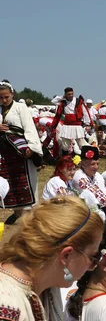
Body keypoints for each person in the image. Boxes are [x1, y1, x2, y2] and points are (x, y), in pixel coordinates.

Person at [0, 80, 43, 224]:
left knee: (25, 180)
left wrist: (32, 146)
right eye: (1, 98)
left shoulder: (20, 107)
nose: (4, 100)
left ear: (12, 94)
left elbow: (29, 127)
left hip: (21, 151)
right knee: (10, 181)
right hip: (5, 153)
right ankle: (17, 212)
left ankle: (27, 213)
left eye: (6, 97)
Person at [73, 146, 106, 218]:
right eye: (93, 164)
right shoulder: (78, 177)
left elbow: (105, 191)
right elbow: (94, 193)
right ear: (83, 165)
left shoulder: (97, 175)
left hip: (100, 206)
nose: (96, 167)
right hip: (85, 210)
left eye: (97, 164)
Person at [51, 87, 91, 155]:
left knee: (82, 143)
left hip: (77, 125)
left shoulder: (78, 101)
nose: (71, 95)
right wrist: (62, 97)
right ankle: (65, 161)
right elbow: (53, 101)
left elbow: (85, 112)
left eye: (72, 94)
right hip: (67, 125)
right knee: (65, 145)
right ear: (65, 94)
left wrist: (87, 124)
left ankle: (88, 157)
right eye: (69, 94)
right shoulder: (63, 102)